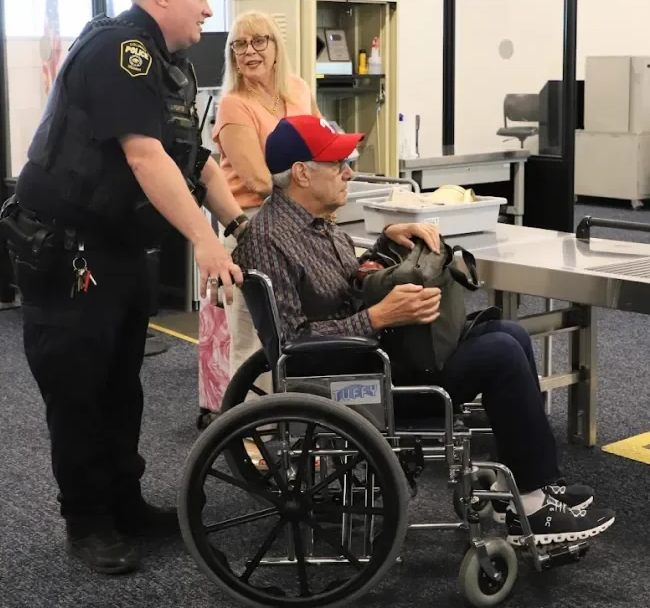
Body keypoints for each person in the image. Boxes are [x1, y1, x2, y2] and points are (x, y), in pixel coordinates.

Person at [231, 114, 617, 546]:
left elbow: (344, 284)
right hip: (352, 381)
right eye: (337, 163)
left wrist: (386, 243)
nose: (349, 172)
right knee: (502, 356)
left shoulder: (319, 224)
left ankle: (534, 485)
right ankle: (531, 506)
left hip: (377, 355)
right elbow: (292, 346)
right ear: (301, 172)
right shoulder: (267, 239)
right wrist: (381, 317)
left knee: (510, 333)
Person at [0, 0, 248, 575]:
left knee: (120, 385)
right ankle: (88, 522)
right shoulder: (120, 50)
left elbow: (193, 159)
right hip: (67, 249)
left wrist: (240, 224)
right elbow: (145, 158)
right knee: (79, 387)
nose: (208, 7)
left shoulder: (170, 67)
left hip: (119, 248)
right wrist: (205, 240)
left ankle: (124, 502)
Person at [210, 10, 321, 387]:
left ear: (276, 47)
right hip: (252, 225)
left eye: (259, 41)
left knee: (304, 330)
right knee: (254, 336)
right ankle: (254, 435)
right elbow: (257, 180)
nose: (250, 51)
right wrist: (312, 191)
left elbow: (321, 147)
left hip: (300, 223)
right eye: (239, 44)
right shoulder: (233, 104)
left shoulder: (299, 89)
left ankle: (300, 416)